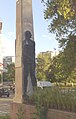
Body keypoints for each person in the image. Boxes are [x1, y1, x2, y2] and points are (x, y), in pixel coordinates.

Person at [22, 31, 37, 98]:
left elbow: (34, 53)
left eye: (29, 35)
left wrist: (34, 61)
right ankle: (24, 93)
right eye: (27, 35)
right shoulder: (23, 42)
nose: (28, 36)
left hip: (32, 62)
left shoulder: (32, 43)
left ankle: (36, 92)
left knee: (33, 77)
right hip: (26, 62)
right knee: (25, 77)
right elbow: (23, 53)